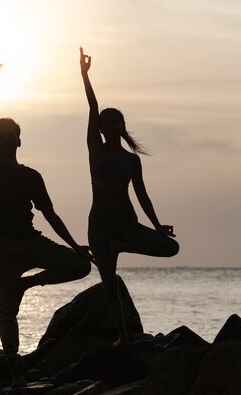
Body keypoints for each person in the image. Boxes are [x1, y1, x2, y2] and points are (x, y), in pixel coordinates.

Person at [0, 52, 92, 386]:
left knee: (80, 267)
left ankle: (26, 283)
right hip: (0, 250)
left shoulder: (31, 176)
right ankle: (14, 372)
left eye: (12, 135)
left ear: (19, 141)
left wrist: (75, 246)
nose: (6, 139)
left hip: (30, 243)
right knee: (6, 313)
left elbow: (51, 214)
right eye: (2, 135)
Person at [79, 47, 179, 343]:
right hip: (99, 224)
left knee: (170, 248)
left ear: (122, 127)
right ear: (100, 128)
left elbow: (143, 196)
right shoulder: (94, 149)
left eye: (115, 122)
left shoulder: (132, 160)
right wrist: (84, 76)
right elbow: (92, 107)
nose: (110, 125)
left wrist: (157, 225)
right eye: (106, 122)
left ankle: (119, 246)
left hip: (125, 223)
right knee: (108, 282)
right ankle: (122, 335)